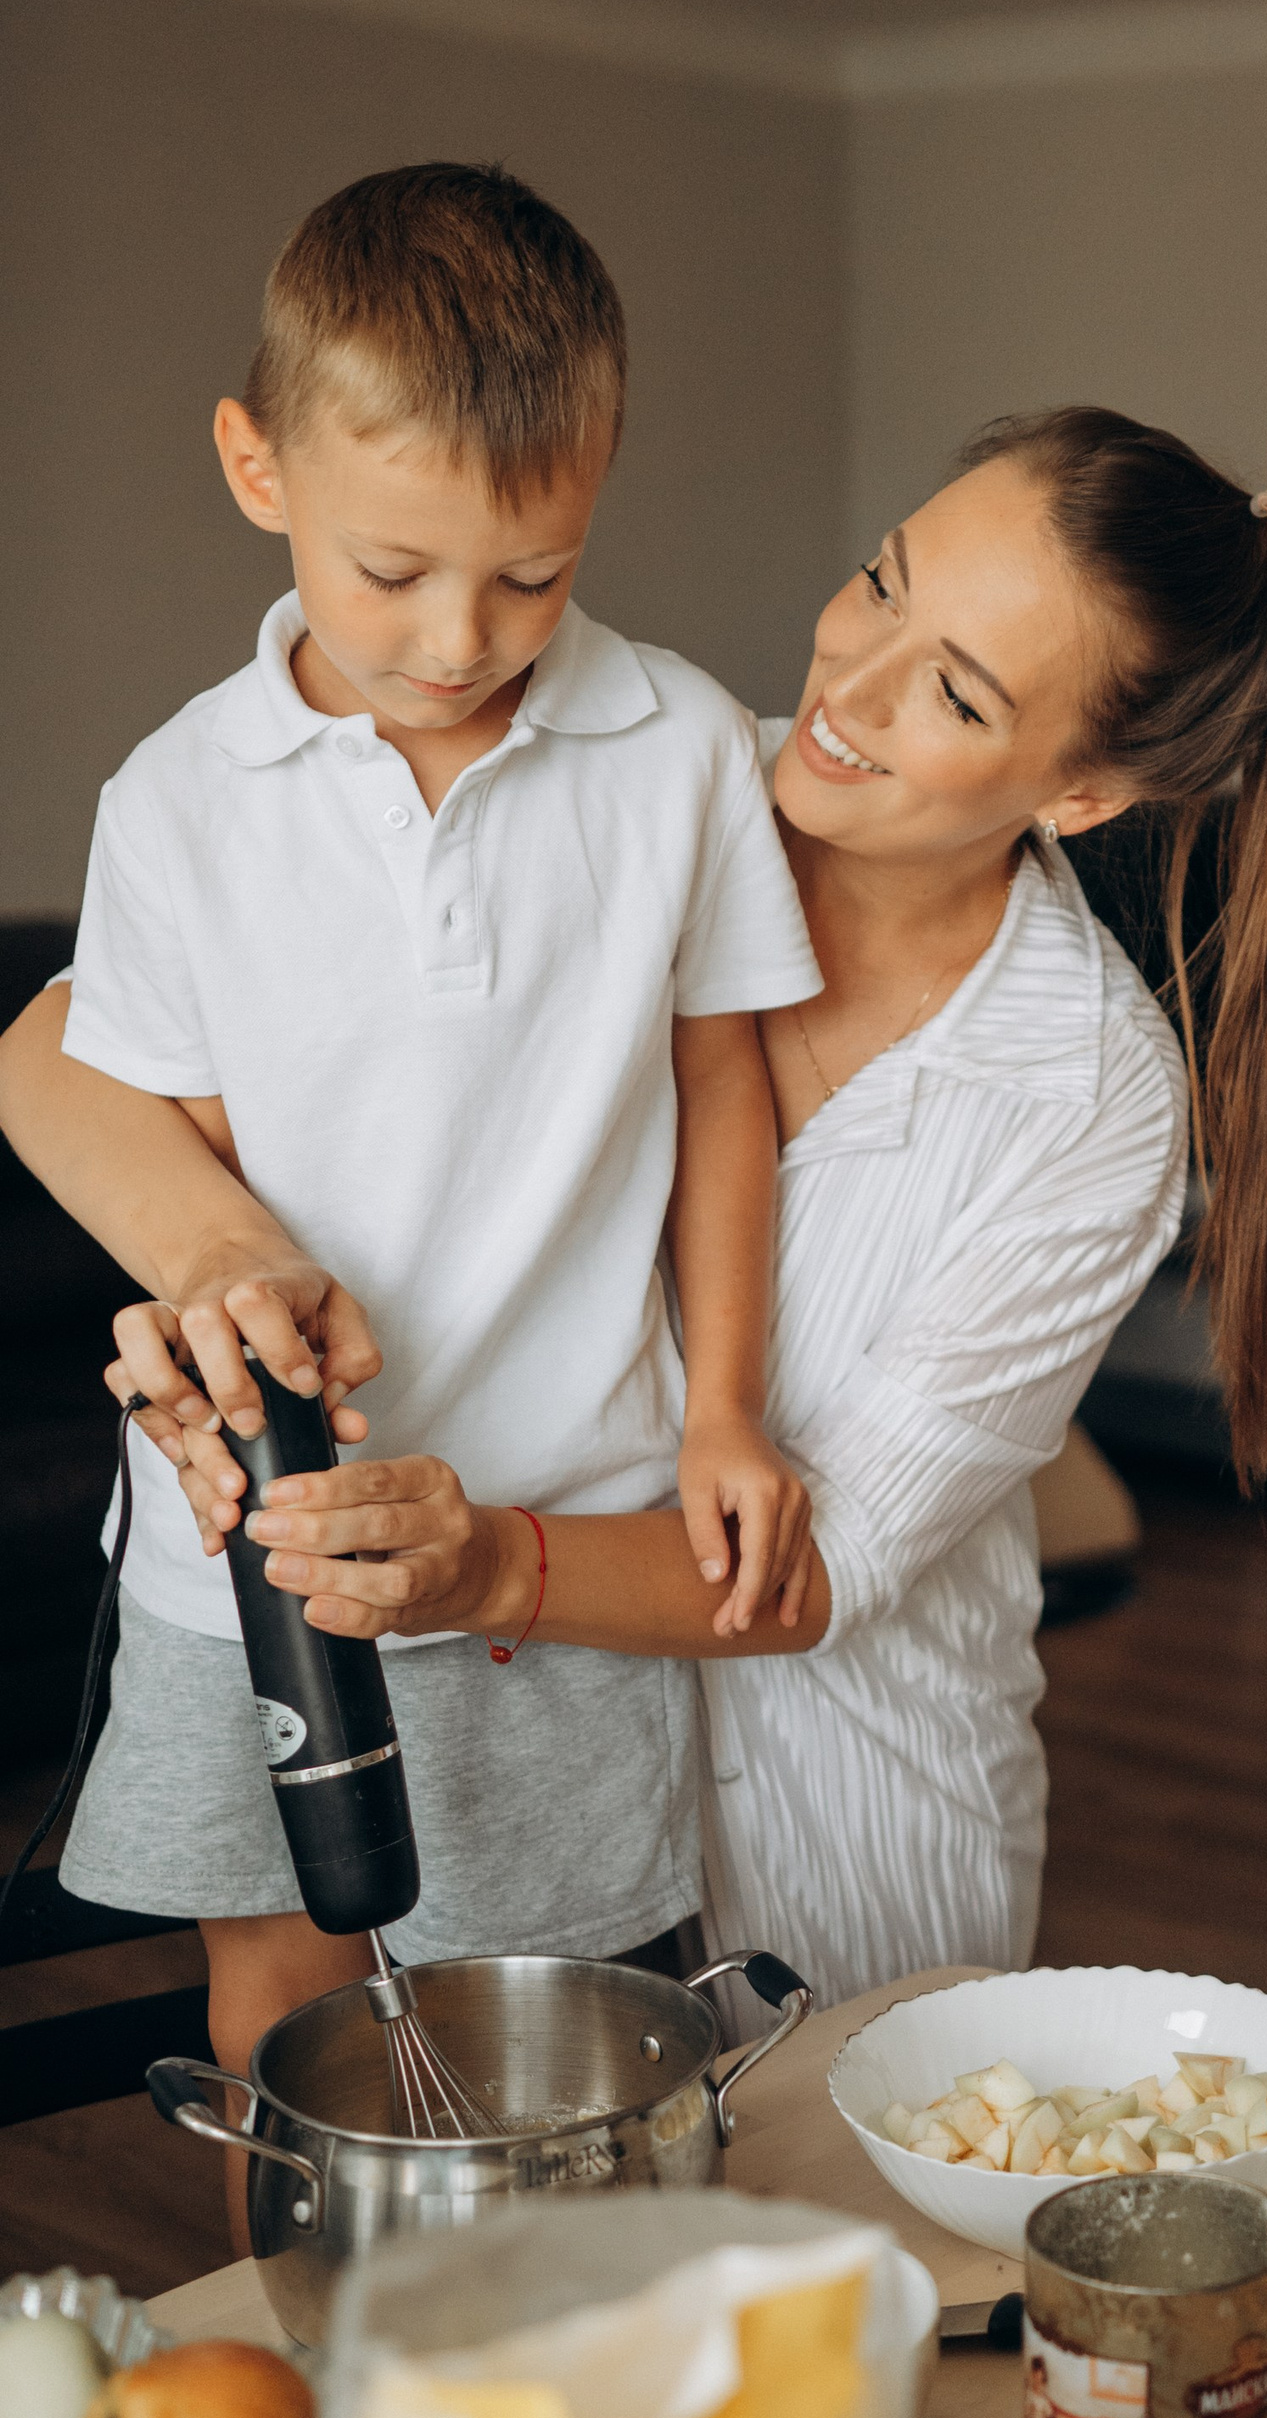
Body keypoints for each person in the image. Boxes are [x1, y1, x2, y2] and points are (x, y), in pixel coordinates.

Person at [118, 402, 1267, 2010]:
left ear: (1085, 795)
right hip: (490, 1768)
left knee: (835, 2257)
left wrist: (485, 1567)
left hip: (848, 1835)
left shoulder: (1092, 1100)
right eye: (880, 584)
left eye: (957, 692)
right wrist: (213, 1264)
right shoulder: (623, 785)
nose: (852, 687)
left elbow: (814, 1572)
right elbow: (84, 1047)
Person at [0, 164, 820, 2150]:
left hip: (554, 1525)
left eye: (531, 575)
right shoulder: (178, 801)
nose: (461, 637)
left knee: (574, 2034)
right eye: (397, 572)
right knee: (282, 2008)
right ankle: (310, 2407)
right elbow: (165, 1159)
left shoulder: (684, 749)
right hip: (250, 1563)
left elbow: (726, 1089)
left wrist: (721, 1405)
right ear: (253, 464)